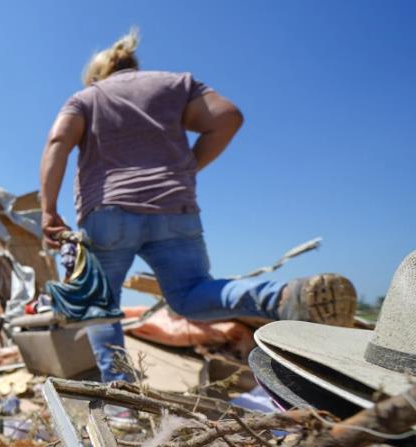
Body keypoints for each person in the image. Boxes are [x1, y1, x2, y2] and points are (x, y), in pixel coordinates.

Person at [39, 29, 356, 384]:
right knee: (191, 294)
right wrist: (187, 167)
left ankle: (123, 401)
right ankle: (283, 296)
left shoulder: (86, 97)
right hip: (175, 208)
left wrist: (48, 210)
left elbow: (57, 141)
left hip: (109, 211)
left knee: (101, 308)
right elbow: (228, 117)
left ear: (97, 76)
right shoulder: (175, 85)